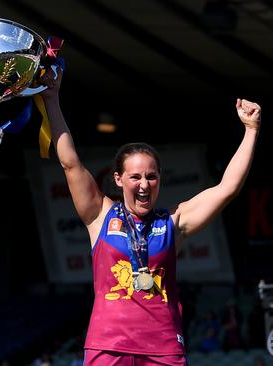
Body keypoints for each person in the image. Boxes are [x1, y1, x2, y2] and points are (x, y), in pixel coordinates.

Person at [41, 64, 262, 365]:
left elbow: (228, 188)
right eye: (135, 177)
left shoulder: (173, 222)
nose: (144, 185)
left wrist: (251, 131)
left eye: (152, 177)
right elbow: (69, 162)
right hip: (108, 346)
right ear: (118, 179)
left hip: (164, 347)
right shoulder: (99, 214)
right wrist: (52, 100)